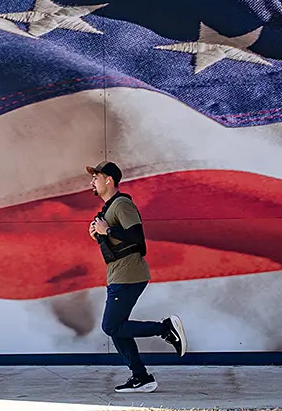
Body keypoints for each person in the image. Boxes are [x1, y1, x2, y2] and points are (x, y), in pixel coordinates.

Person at [86, 160, 187, 393]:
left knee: (111, 326)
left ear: (109, 180)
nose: (92, 182)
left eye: (96, 177)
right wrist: (99, 235)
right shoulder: (109, 208)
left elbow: (137, 238)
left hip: (129, 274)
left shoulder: (122, 204)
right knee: (117, 328)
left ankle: (165, 328)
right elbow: (118, 241)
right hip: (118, 274)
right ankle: (141, 377)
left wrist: (106, 230)